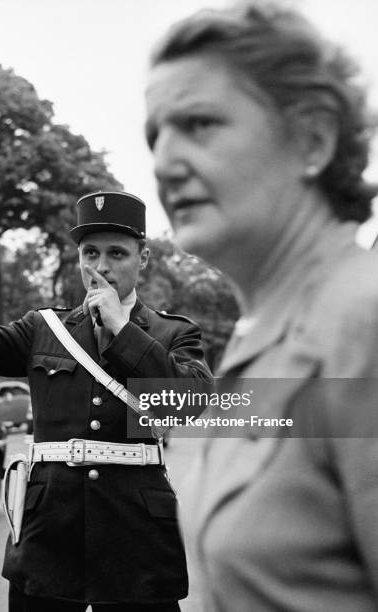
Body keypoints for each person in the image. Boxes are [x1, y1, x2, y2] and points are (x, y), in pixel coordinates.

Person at [0, 189, 212, 611]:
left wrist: (124, 332)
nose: (101, 267)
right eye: (90, 253)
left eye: (117, 254)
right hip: (50, 536)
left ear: (142, 257)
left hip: (136, 542)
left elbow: (190, 402)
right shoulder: (44, 329)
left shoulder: (172, 334)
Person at [145, 2, 378, 611]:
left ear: (312, 139)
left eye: (199, 123)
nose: (163, 163)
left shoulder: (365, 323)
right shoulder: (263, 332)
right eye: (154, 134)